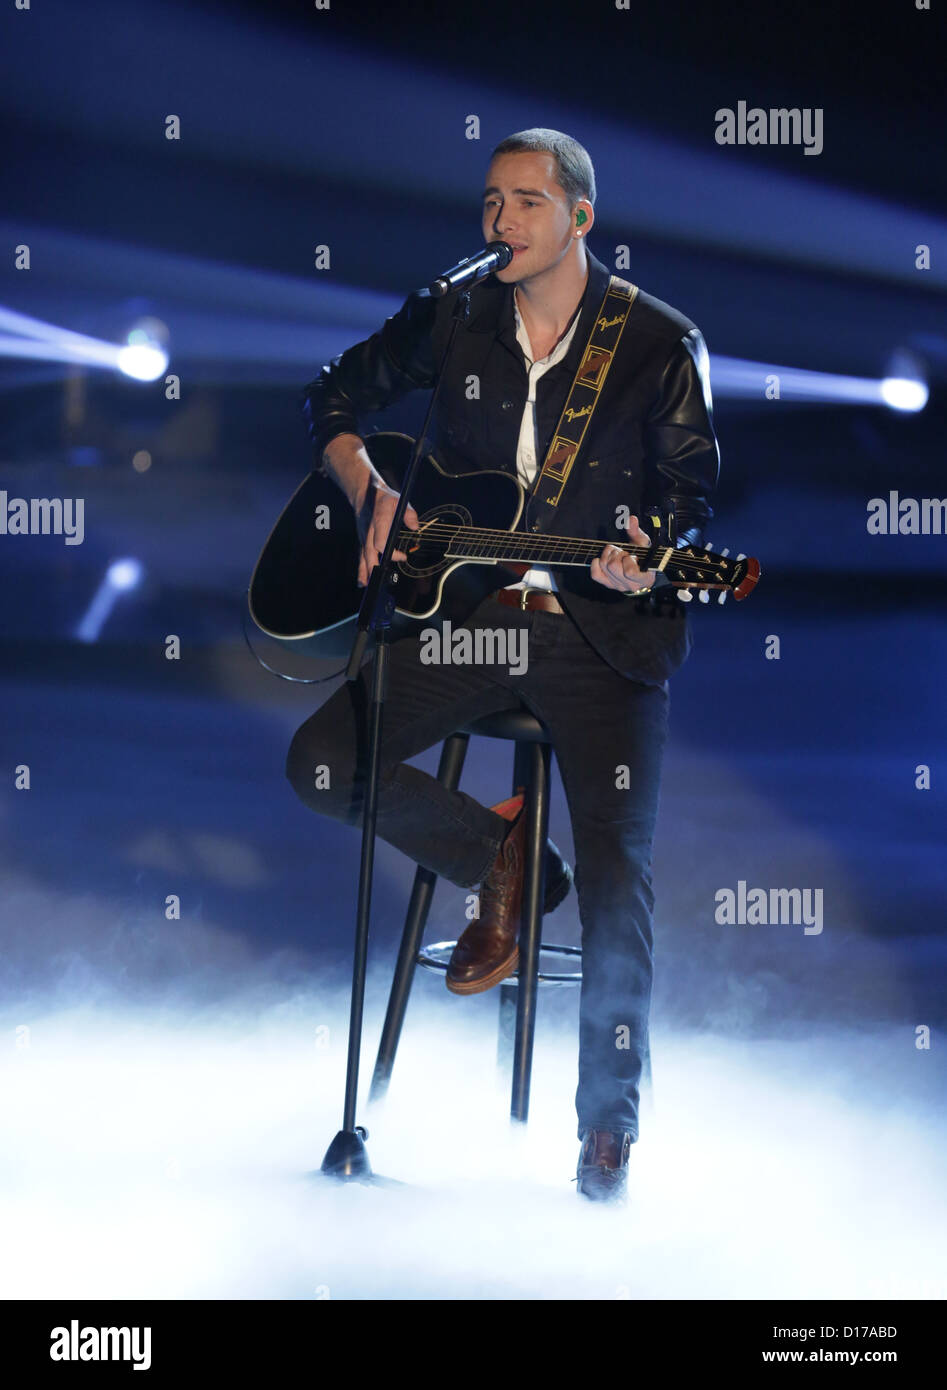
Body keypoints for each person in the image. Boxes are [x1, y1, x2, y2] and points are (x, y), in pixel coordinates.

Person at [286, 128, 720, 1203]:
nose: (500, 223)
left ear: (579, 217)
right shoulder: (457, 312)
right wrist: (368, 490)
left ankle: (604, 1129)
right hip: (472, 617)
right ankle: (507, 865)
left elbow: (684, 506)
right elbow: (332, 396)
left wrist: (638, 564)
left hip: (597, 637)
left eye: (525, 202)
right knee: (325, 762)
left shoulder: (659, 343)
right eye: (489, 202)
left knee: (621, 882)